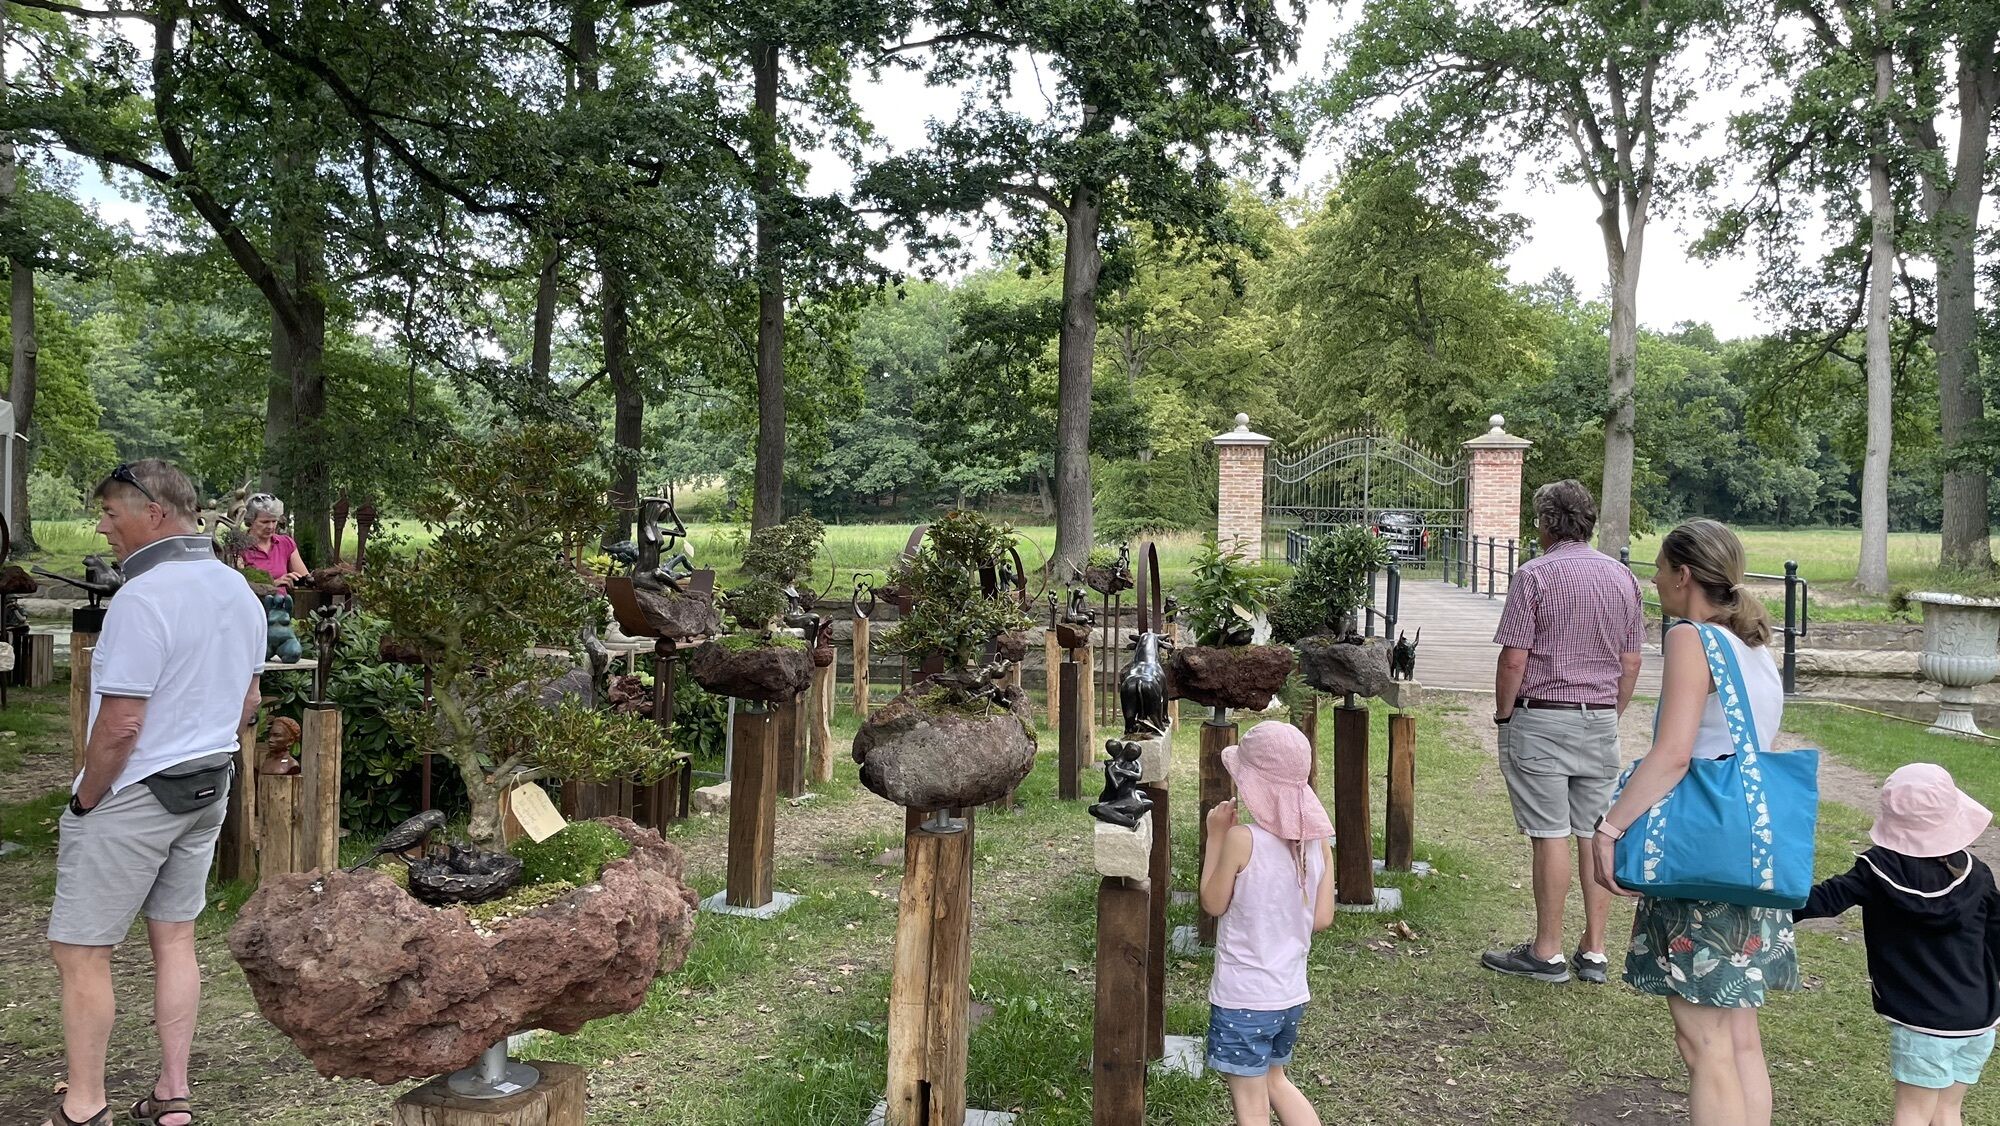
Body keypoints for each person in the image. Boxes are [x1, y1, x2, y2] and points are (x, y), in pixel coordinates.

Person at [45, 461, 266, 1126]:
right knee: (175, 939)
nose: (101, 526)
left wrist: (87, 798)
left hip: (136, 791)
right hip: (208, 783)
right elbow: (249, 703)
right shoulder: (238, 590)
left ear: (155, 513)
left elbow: (121, 724)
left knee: (81, 951)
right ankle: (172, 1094)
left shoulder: (142, 598)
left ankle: (84, 1108)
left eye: (110, 512)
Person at [1591, 518, 1798, 1126]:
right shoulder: (1753, 646)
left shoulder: (1691, 638)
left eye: (1658, 568)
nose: (1653, 580)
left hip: (1699, 855)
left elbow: (1674, 754)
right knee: (1739, 1038)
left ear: (1683, 575)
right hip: (1746, 853)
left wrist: (1610, 827)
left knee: (1702, 1042)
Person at [1482, 480, 1645, 985]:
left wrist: (1504, 716)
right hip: (1599, 718)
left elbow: (1514, 658)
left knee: (1549, 833)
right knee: (1596, 832)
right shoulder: (1623, 577)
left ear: (1547, 523)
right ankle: (1594, 950)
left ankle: (1547, 950)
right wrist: (1610, 712)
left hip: (1542, 716)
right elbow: (1631, 661)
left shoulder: (1533, 575)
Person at [1794, 763, 1998, 1126]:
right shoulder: (1976, 872)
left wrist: (1763, 906)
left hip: (1924, 1024)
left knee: (1912, 1113)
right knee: (1947, 1111)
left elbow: (1822, 900)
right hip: (1978, 1018)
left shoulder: (1875, 870)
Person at [1200, 721, 1336, 1126]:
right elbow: (1322, 918)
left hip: (1244, 998)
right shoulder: (1316, 842)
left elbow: (1212, 903)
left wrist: (1215, 836)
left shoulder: (1242, 839)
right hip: (1290, 995)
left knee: (1250, 1099)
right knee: (1276, 1081)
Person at [237, 492, 308, 587]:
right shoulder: (238, 548)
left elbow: (306, 580)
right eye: (265, 522)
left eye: (274, 521)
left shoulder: (286, 543)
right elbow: (238, 587)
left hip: (285, 597)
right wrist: (273, 584)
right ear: (250, 521)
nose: (270, 526)